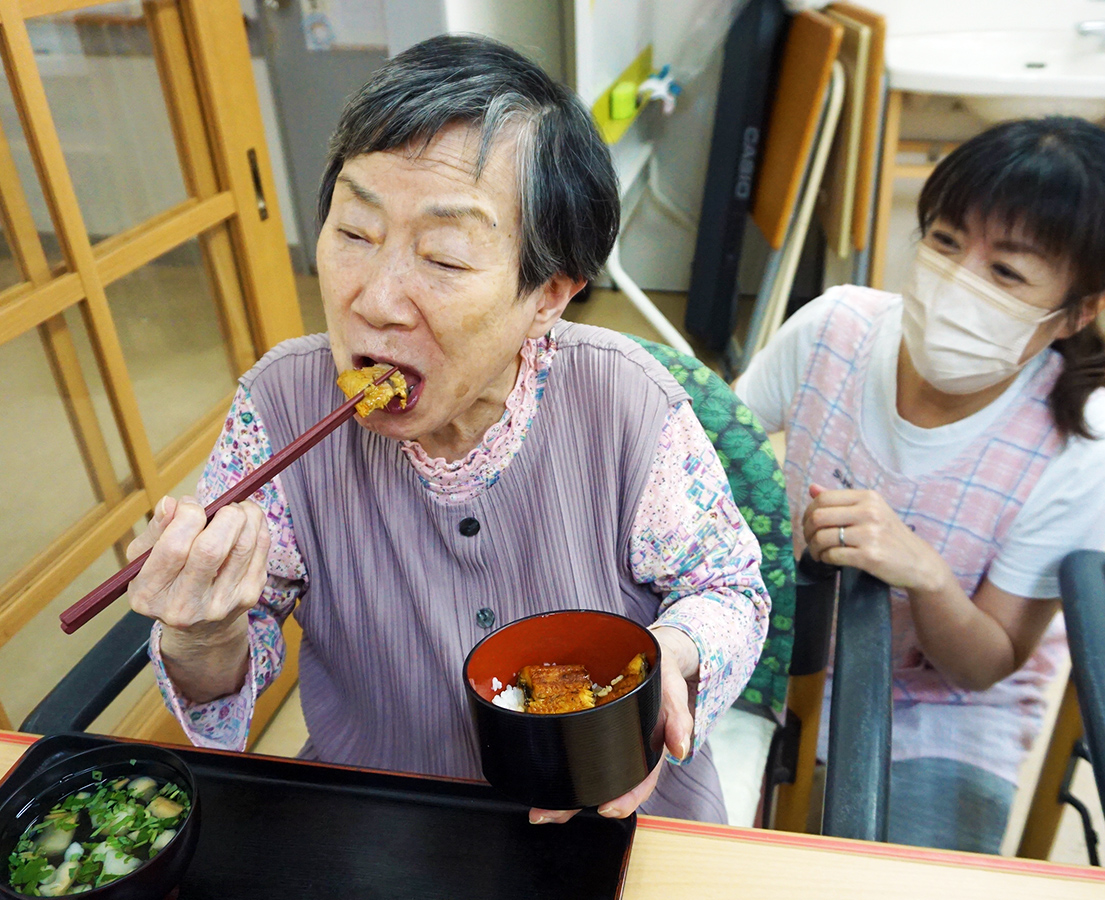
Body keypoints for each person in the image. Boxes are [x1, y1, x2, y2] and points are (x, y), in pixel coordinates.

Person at [125, 34, 769, 825]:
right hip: (385, 825)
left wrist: (673, 654)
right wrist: (202, 633)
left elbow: (727, 589)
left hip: (618, 818)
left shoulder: (625, 404)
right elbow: (232, 657)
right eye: (355, 233)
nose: (377, 299)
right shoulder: (279, 408)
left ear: (549, 295)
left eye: (446, 256)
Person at [735, 116, 1105, 852]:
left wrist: (924, 574)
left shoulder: (1083, 444)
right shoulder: (835, 329)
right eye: (947, 243)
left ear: (1080, 310)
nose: (959, 284)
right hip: (774, 654)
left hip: (941, 711)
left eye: (1008, 273)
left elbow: (986, 663)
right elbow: (709, 448)